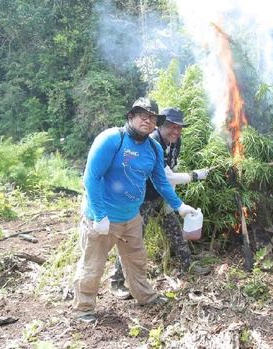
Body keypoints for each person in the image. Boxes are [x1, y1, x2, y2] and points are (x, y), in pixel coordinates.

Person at [72, 97, 197, 323]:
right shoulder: (111, 139)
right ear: (131, 116)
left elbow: (161, 182)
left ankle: (145, 297)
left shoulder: (154, 149)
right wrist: (100, 216)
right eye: (143, 115)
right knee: (93, 264)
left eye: (152, 118)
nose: (147, 121)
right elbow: (92, 177)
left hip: (131, 217)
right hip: (103, 217)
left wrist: (179, 206)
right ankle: (84, 308)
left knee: (136, 260)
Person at [110, 107, 211, 299]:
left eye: (179, 127)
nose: (175, 131)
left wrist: (169, 199)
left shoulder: (175, 142)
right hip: (142, 200)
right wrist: (195, 176)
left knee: (174, 229)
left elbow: (170, 171)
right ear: (161, 125)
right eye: (171, 126)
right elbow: (166, 176)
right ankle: (116, 282)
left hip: (159, 196)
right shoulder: (153, 141)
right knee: (132, 240)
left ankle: (187, 265)